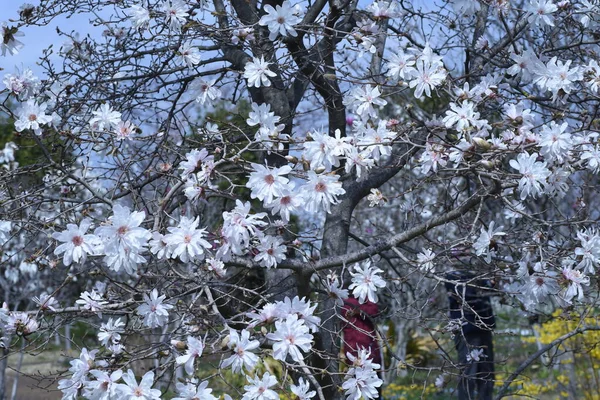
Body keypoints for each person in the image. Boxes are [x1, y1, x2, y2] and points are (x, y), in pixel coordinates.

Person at [445, 271, 495, 400]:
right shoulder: (452, 275)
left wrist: (491, 283)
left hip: (484, 326)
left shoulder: (479, 270)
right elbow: (467, 296)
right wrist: (484, 286)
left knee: (487, 373)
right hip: (467, 328)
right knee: (469, 374)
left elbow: (491, 290)